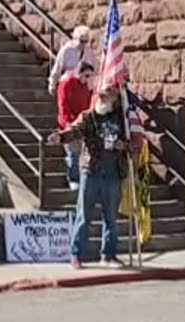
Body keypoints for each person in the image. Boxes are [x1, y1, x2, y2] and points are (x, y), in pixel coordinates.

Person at [49, 84, 129, 269]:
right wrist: (60, 137)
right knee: (84, 215)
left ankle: (108, 255)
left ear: (114, 99)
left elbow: (130, 142)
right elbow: (74, 131)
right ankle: (76, 255)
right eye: (101, 94)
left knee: (111, 217)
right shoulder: (88, 117)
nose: (103, 98)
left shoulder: (120, 119)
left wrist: (123, 146)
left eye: (107, 94)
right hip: (91, 171)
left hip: (112, 172)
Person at [56, 62, 94, 191]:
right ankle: (73, 179)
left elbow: (87, 104)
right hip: (69, 124)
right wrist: (69, 122)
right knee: (73, 152)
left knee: (81, 153)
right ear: (79, 72)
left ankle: (79, 177)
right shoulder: (66, 85)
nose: (88, 79)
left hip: (82, 124)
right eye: (86, 75)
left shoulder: (84, 87)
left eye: (90, 76)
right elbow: (63, 106)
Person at [47, 26, 96, 95]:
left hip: (83, 87)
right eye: (81, 41)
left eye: (86, 41)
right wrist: (52, 84)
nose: (84, 44)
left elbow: (95, 71)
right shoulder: (66, 50)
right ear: (75, 39)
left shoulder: (89, 52)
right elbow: (57, 68)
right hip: (68, 86)